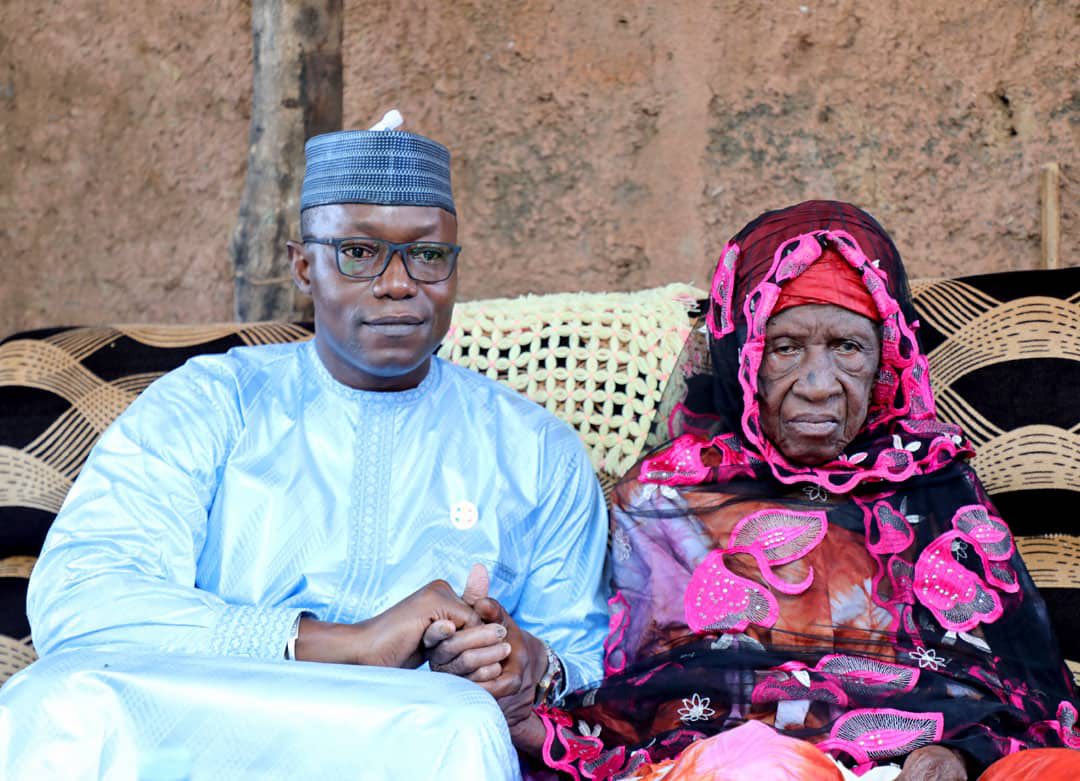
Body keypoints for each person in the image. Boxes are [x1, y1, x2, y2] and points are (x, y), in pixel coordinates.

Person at [0, 121, 608, 779]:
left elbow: (588, 661)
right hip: (213, 713)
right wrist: (348, 644)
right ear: (302, 265)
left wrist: (524, 664)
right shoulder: (212, 402)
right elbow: (81, 596)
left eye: (428, 255)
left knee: (462, 726)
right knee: (58, 700)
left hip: (409, 730)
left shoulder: (534, 446)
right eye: (358, 252)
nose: (399, 283)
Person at [529, 201, 1080, 780]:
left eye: (847, 347)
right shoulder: (664, 500)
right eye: (785, 347)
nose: (818, 386)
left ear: (886, 361)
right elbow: (630, 703)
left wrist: (958, 754)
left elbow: (1023, 698)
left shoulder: (933, 484)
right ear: (739, 354)